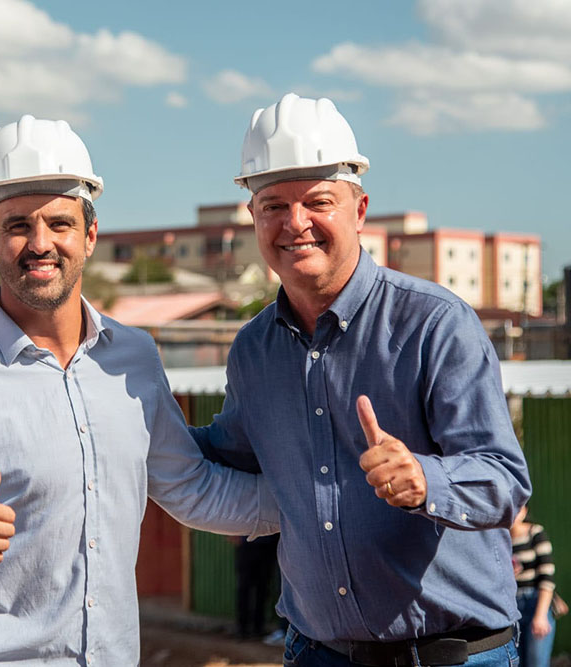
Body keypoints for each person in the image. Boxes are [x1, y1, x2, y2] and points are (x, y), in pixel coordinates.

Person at [0, 114, 279, 665]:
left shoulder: (133, 359)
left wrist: (325, 505)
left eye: (59, 224)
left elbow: (192, 487)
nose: (40, 244)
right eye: (18, 226)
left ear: (89, 236)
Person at [190, 93, 532, 666]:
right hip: (316, 652)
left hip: (451, 656)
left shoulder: (435, 324)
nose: (295, 223)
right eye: (273, 204)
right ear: (252, 217)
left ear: (360, 209)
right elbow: (230, 453)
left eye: (317, 201)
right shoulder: (254, 349)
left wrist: (424, 478)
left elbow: (505, 481)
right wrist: (130, 428)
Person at [511, 505, 557, 667]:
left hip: (534, 603)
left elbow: (547, 577)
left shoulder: (535, 533)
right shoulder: (501, 539)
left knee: (536, 662)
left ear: (525, 511)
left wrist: (541, 615)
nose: (514, 513)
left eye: (518, 508)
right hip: (511, 606)